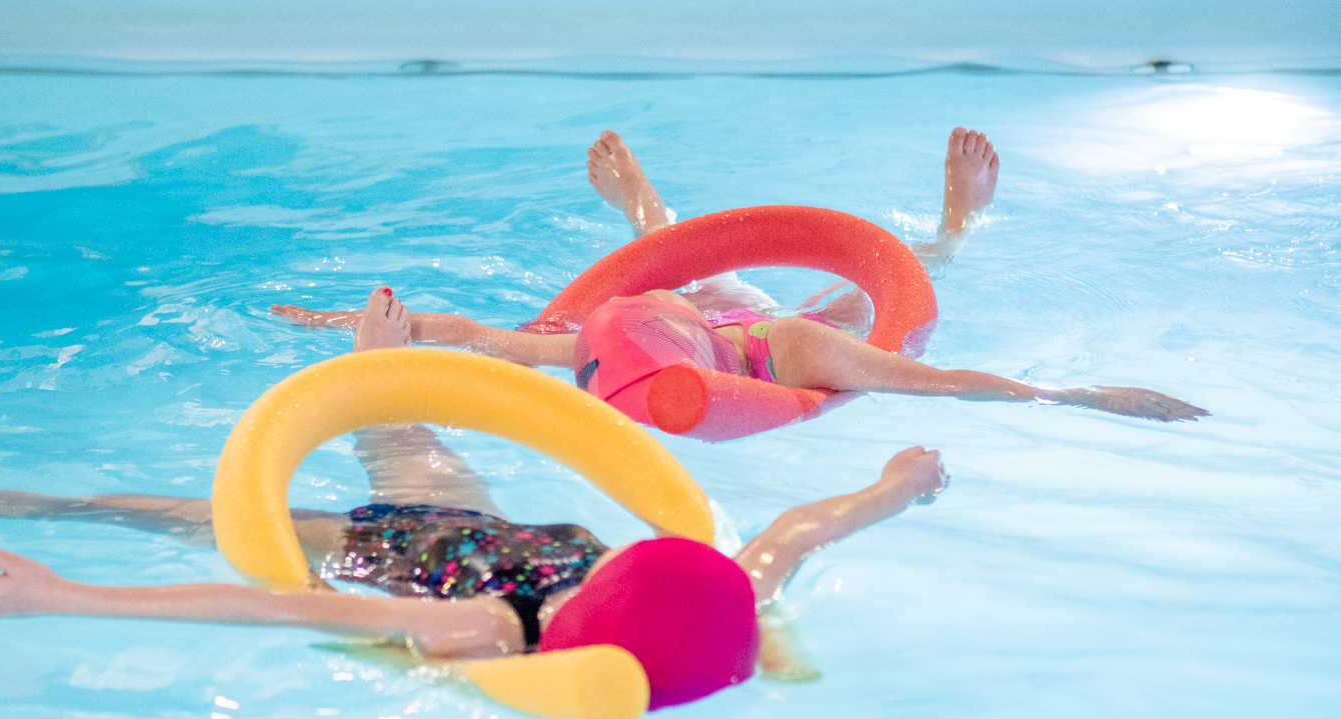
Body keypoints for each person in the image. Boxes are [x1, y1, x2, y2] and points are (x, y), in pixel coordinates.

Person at [0, 288, 946, 704]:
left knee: (120, 506)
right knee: (142, 502)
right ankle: (377, 366)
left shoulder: (510, 629)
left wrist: (66, 602)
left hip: (431, 544)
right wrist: (900, 478)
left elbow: (281, 610)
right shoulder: (702, 602)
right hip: (452, 538)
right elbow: (796, 527)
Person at [273, 129, 1206, 423]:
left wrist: (1082, 396)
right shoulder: (599, 348)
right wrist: (344, 326)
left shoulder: (793, 347)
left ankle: (958, 226)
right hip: (678, 338)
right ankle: (645, 219)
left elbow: (950, 382)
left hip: (755, 338)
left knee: (866, 292)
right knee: (649, 271)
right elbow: (479, 338)